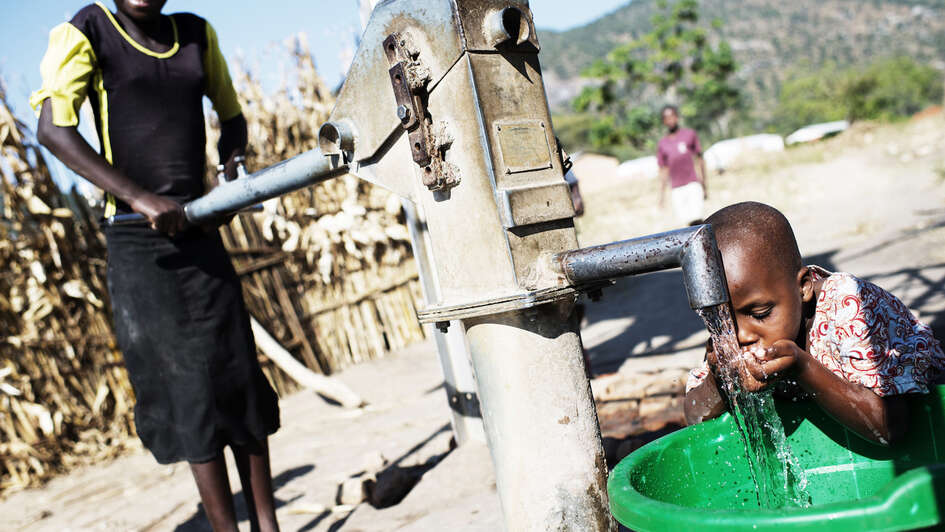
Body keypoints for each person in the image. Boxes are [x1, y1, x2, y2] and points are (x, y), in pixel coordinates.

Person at [31, 2, 281, 530]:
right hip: (139, 243)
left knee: (238, 375)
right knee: (189, 389)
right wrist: (140, 198)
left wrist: (231, 168)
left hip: (200, 227)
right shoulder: (88, 30)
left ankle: (268, 524)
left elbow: (231, 117)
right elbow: (53, 130)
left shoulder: (195, 33)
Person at [684, 202, 945, 446]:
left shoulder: (849, 307)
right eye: (720, 321)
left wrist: (802, 366)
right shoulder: (732, 335)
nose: (740, 335)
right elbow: (695, 418)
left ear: (804, 287)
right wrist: (718, 380)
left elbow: (891, 428)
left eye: (761, 313)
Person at [656, 105, 708, 226]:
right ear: (664, 121)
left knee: (698, 220)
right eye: (667, 118)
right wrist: (662, 197)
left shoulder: (689, 134)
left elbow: (699, 159)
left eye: (672, 117)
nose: (670, 120)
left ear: (677, 117)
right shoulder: (663, 143)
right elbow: (663, 169)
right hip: (677, 188)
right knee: (686, 225)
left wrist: (704, 184)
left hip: (692, 184)